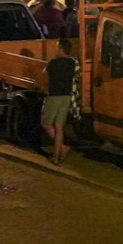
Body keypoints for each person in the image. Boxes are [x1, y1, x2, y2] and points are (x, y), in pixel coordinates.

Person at [41, 37, 78, 165]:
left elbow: (44, 74)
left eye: (56, 47)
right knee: (59, 127)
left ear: (61, 49)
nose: (55, 49)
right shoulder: (72, 63)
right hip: (66, 97)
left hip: (54, 96)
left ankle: (62, 148)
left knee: (46, 123)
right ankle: (56, 156)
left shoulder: (53, 63)